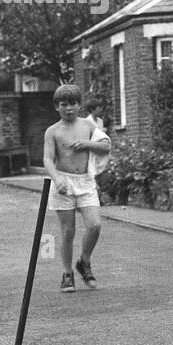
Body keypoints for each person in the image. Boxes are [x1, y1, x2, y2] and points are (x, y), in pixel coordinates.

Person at [43, 84, 109, 292]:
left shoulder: (88, 127)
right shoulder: (53, 131)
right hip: (63, 183)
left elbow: (106, 146)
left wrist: (86, 144)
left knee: (95, 225)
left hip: (85, 182)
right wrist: (56, 179)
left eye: (73, 104)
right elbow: (47, 159)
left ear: (79, 105)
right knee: (68, 231)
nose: (69, 109)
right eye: (64, 104)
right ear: (57, 107)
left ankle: (84, 261)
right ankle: (67, 274)